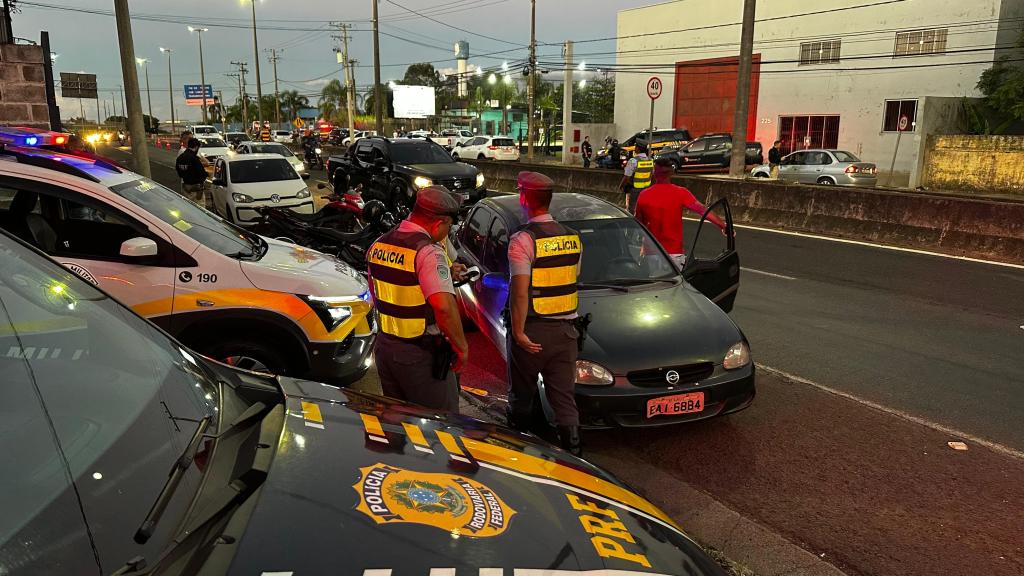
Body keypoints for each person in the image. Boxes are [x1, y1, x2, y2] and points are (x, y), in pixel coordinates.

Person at [366, 185, 470, 412]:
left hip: (385, 349)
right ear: (440, 222)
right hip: (420, 356)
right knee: (441, 424)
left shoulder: (379, 244)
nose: (447, 233)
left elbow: (379, 292)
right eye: (449, 227)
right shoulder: (429, 252)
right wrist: (461, 348)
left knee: (399, 422)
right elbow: (443, 307)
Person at [506, 171, 583, 456]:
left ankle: (518, 453)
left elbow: (520, 291)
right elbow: (570, 278)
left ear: (524, 198)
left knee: (522, 394)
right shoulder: (573, 238)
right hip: (566, 332)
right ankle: (575, 459)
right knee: (564, 400)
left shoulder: (522, 240)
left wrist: (518, 332)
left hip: (534, 330)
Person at [635, 158, 728, 266]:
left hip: (651, 251)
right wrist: (723, 226)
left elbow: (639, 224)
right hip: (674, 254)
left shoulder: (644, 195)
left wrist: (643, 246)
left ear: (654, 173)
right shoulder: (681, 193)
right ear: (671, 173)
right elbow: (703, 210)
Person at [621, 141, 652, 214]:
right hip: (646, 188)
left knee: (631, 210)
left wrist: (621, 186)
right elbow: (652, 175)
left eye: (635, 147)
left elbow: (627, 177)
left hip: (635, 189)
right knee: (643, 210)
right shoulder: (650, 161)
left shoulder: (633, 161)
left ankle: (632, 224)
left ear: (638, 148)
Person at [175, 138, 209, 206]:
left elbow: (179, 171)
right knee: (200, 210)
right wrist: (207, 174)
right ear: (196, 147)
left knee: (188, 208)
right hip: (196, 190)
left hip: (186, 188)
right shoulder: (194, 158)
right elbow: (202, 173)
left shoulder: (180, 158)